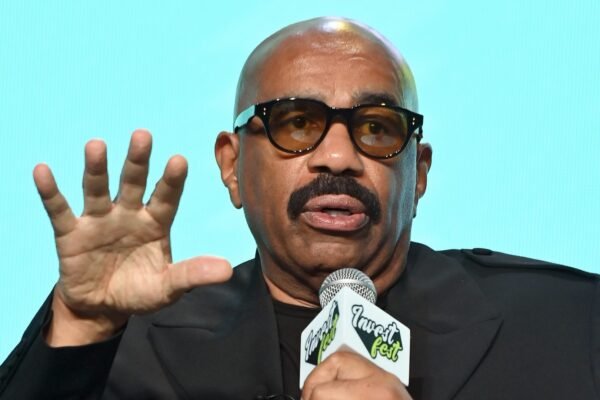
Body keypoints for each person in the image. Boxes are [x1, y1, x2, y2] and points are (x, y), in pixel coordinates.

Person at [0, 16, 598, 400]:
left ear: (418, 173)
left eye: (376, 128)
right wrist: (81, 326)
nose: (338, 156)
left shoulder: (571, 323)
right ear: (232, 164)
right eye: (296, 123)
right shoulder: (122, 353)